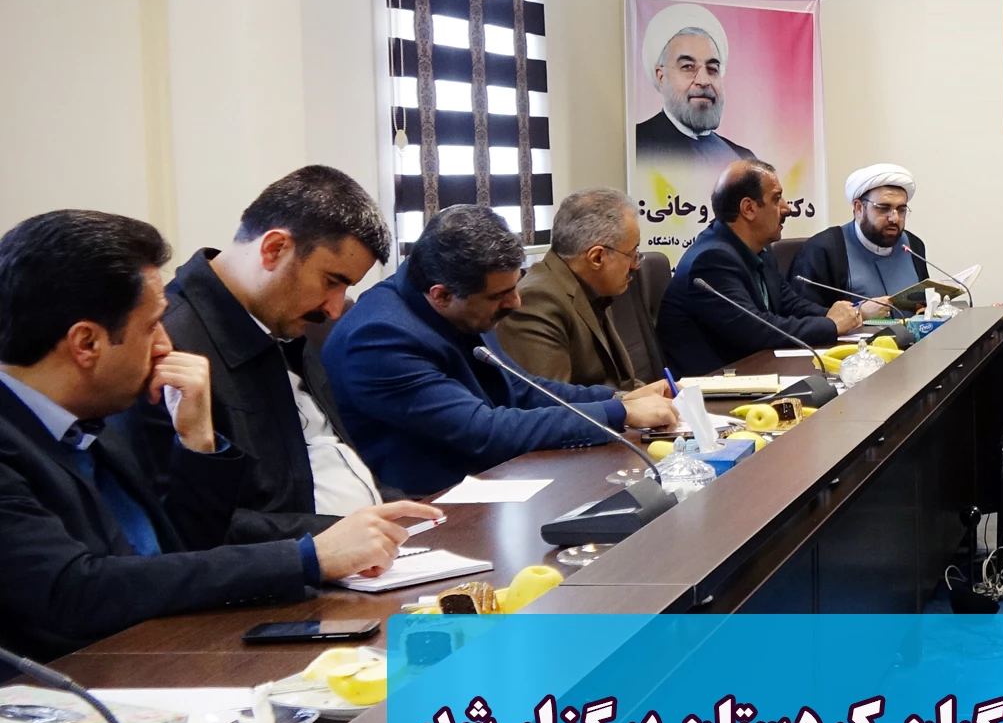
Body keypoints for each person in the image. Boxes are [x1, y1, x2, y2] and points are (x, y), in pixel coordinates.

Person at [0, 210, 437, 659]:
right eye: (151, 327)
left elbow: (186, 551)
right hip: (83, 680)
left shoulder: (95, 418)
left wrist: (197, 441)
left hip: (170, 651)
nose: (165, 345)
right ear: (87, 343)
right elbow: (74, 592)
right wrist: (308, 558)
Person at [116, 165, 390, 543]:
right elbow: (183, 527)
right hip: (302, 565)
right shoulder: (166, 347)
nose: (334, 309)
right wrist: (341, 534)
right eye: (331, 282)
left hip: (370, 548)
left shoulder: (284, 322)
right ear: (274, 249)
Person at [324, 205, 677, 496]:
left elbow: (522, 389)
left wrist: (619, 399)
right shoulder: (379, 338)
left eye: (514, 286)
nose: (515, 302)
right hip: (432, 507)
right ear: (441, 294)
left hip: (495, 483)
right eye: (499, 296)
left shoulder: (463, 306)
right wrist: (618, 413)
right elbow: (484, 432)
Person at [661, 160, 863, 375]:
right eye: (776, 198)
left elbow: (789, 303)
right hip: (712, 383)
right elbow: (755, 330)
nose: (787, 208)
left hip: (754, 370)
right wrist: (830, 325)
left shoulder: (760, 251)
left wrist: (842, 315)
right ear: (748, 208)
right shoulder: (711, 260)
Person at [496, 188, 646, 390]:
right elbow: (552, 400)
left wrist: (661, 396)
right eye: (632, 253)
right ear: (597, 257)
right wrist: (630, 402)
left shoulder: (592, 287)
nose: (636, 264)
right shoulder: (536, 301)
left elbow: (621, 382)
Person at [787, 164, 930, 321]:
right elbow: (804, 318)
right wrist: (858, 313)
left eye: (901, 210)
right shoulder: (823, 250)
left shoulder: (913, 245)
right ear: (859, 208)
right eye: (883, 208)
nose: (894, 218)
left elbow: (922, 303)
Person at [635, 4, 759, 176]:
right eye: (688, 67)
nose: (703, 81)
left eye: (712, 69)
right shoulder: (636, 144)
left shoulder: (743, 158)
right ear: (661, 77)